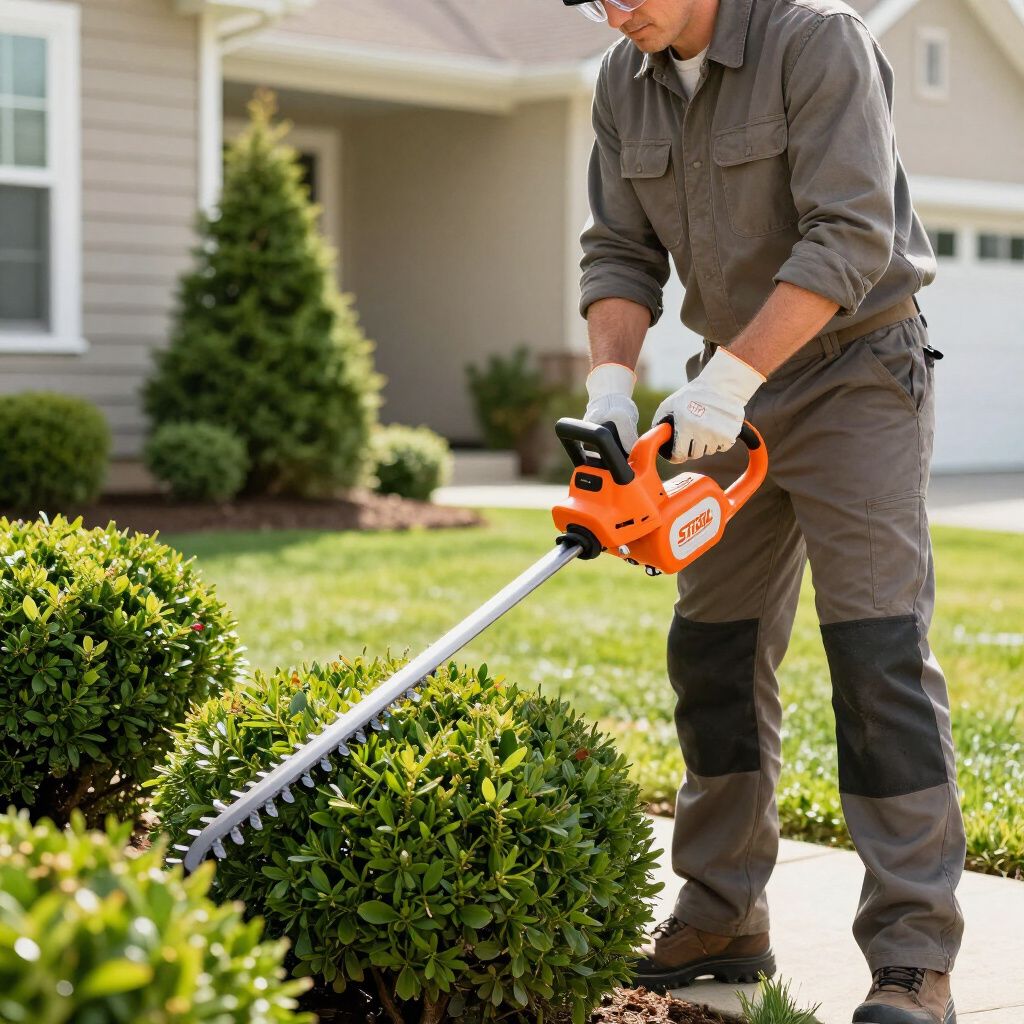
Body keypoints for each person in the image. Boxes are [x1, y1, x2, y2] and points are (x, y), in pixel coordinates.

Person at [561, 1, 965, 1022]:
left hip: (855, 369)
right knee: (713, 648)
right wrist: (611, 386)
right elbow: (618, 248)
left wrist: (731, 380)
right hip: (721, 393)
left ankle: (913, 954)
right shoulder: (623, 77)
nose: (614, 9)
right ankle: (722, 909)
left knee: (875, 650)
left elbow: (849, 232)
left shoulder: (813, 38)